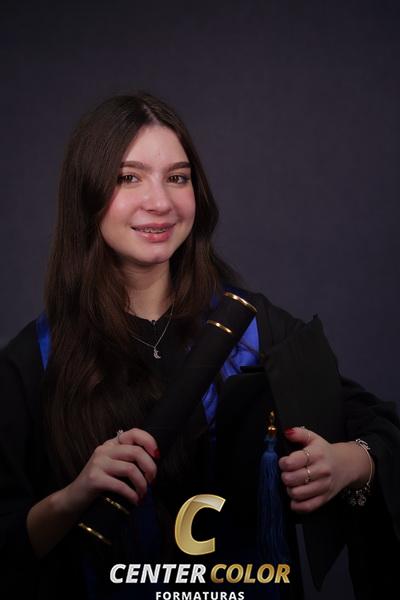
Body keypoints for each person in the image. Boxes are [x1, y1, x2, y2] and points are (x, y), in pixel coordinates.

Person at [0, 92, 399, 600]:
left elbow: (379, 427)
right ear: (87, 193)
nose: (160, 202)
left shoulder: (250, 326)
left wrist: (350, 463)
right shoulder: (35, 360)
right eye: (129, 178)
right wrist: (73, 497)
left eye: (177, 177)